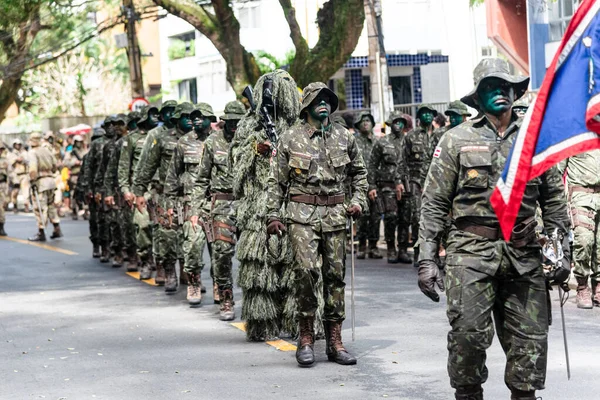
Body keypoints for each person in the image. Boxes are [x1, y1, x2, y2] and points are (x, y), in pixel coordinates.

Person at [418, 58, 571, 400]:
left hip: (524, 254)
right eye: (490, 87)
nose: (500, 92)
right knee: (467, 338)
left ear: (515, 92)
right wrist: (427, 258)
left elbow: (555, 201)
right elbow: (433, 204)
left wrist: (561, 252)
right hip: (470, 254)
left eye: (506, 86)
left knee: (529, 343)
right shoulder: (457, 140)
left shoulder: (536, 139)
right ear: (478, 97)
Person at [266, 82, 366, 367]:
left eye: (327, 99)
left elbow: (359, 174)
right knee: (307, 273)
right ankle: (306, 337)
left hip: (335, 214)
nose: (323, 103)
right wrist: (273, 216)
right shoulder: (289, 138)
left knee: (335, 277)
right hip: (301, 214)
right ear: (306, 105)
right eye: (317, 99)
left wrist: (358, 200)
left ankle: (335, 341)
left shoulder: (344, 136)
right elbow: (276, 182)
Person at [231, 70, 302, 341]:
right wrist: (253, 149)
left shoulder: (298, 126)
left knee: (297, 271)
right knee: (259, 272)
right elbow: (234, 167)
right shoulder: (249, 125)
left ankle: (299, 324)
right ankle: (263, 324)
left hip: (294, 205)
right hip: (257, 209)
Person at [190, 100, 244, 318]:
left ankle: (255, 303)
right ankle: (226, 298)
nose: (234, 126)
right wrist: (196, 209)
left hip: (247, 203)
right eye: (230, 121)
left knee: (253, 256)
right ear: (224, 121)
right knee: (222, 254)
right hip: (221, 204)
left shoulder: (251, 141)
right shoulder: (212, 142)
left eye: (237, 122)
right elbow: (201, 179)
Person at [134, 102, 191, 294]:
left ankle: (187, 271)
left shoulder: (197, 137)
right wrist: (139, 190)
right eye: (165, 113)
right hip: (164, 194)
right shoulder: (158, 136)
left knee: (189, 235)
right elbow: (146, 165)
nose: (167, 116)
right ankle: (168, 270)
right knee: (165, 234)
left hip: (190, 195)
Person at [165, 103, 216, 305]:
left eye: (200, 116)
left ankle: (219, 285)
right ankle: (194, 282)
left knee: (219, 250)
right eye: (193, 116)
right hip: (191, 202)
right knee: (193, 246)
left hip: (216, 202)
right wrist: (169, 202)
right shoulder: (184, 143)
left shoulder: (220, 141)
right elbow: (172, 174)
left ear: (210, 119)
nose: (195, 119)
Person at [120, 106, 161, 280]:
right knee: (142, 226)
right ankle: (145, 260)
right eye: (152, 114)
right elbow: (123, 166)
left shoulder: (161, 135)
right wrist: (126, 190)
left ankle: (163, 265)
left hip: (159, 189)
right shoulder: (131, 139)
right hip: (140, 190)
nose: (156, 117)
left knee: (162, 228)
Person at [559, 150, 600, 308]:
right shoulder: (575, 135)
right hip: (581, 194)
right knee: (584, 240)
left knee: (599, 245)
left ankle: (598, 285)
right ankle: (582, 285)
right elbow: (557, 171)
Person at [368, 112, 408, 263]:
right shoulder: (382, 142)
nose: (398, 125)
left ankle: (403, 249)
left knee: (405, 218)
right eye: (395, 122)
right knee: (391, 217)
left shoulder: (409, 141)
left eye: (401, 122)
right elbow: (372, 165)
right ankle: (391, 247)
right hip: (387, 186)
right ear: (390, 124)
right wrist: (371, 186)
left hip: (406, 186)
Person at [403, 104, 437, 266]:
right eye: (424, 113)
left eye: (430, 113)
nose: (427, 116)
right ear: (419, 116)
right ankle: (418, 253)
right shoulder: (411, 136)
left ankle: (434, 255)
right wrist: (402, 182)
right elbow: (403, 161)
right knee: (417, 218)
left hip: (437, 183)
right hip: (416, 182)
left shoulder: (440, 135)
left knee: (436, 219)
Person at [102, 114, 131, 268]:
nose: (117, 127)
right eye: (115, 124)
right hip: (116, 189)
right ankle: (118, 252)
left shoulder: (131, 141)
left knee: (132, 224)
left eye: (120, 123)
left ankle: (135, 254)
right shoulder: (109, 146)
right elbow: (107, 170)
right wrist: (106, 191)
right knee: (115, 223)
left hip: (131, 187)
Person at [354, 112, 382, 259]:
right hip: (358, 185)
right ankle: (362, 245)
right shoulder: (354, 142)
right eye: (362, 120)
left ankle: (373, 246)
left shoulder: (378, 142)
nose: (365, 123)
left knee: (375, 216)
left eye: (368, 120)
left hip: (376, 184)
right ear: (358, 125)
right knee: (361, 217)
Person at [27, 132, 62, 241]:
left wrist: (32, 181)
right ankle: (57, 228)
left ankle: (41, 231)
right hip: (50, 181)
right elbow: (55, 166)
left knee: (40, 208)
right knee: (51, 205)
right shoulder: (47, 151)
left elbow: (33, 169)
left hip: (41, 182)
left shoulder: (33, 152)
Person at [81, 126, 106, 257]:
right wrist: (88, 190)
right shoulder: (88, 157)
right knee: (95, 219)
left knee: (107, 219)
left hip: (106, 189)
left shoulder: (110, 149)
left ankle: (108, 246)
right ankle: (96, 245)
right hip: (95, 189)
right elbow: (86, 174)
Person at [63, 135, 87, 220]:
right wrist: (74, 162)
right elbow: (65, 162)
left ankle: (85, 211)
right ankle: (74, 211)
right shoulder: (71, 152)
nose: (79, 144)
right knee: (74, 194)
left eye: (80, 142)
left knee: (84, 193)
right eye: (77, 142)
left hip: (84, 175)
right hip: (74, 175)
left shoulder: (85, 151)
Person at [8, 139, 30, 213]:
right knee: (15, 191)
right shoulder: (11, 153)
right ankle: (15, 206)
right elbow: (9, 163)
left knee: (26, 192)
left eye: (19, 144)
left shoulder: (24, 153)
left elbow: (28, 161)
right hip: (15, 175)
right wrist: (16, 159)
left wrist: (22, 159)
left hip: (24, 174)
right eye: (16, 144)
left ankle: (26, 206)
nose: (17, 146)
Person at [0, 142, 8, 236]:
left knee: (1, 207)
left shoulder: (5, 160)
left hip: (1, 185)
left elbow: (9, 174)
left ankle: (1, 226)